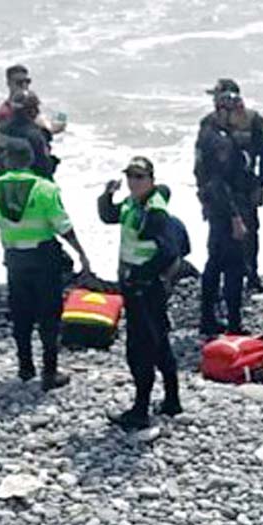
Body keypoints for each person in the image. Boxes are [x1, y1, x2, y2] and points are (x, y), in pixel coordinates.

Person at [0, 143, 92, 389]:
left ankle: (25, 367)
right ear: (30, 161)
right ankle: (50, 371)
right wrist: (81, 253)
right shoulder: (45, 189)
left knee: (21, 314)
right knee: (49, 314)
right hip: (44, 258)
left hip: (15, 259)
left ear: (6, 161)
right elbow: (63, 226)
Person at [99, 157, 187, 430]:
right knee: (159, 341)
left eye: (139, 177)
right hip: (137, 285)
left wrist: (142, 275)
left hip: (145, 288)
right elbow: (109, 216)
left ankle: (140, 409)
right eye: (130, 176)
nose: (133, 182)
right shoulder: (132, 203)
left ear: (151, 179)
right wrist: (106, 196)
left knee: (140, 348)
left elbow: (169, 252)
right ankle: (172, 400)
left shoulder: (154, 211)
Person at [199, 79, 263, 294]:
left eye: (218, 96)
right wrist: (203, 192)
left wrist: (260, 185)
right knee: (218, 235)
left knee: (250, 232)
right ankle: (220, 283)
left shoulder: (254, 120)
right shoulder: (209, 123)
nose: (214, 101)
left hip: (245, 186)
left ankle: (252, 276)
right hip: (218, 188)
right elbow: (201, 164)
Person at [195, 91, 251, 336]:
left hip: (216, 207)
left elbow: (201, 175)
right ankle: (234, 323)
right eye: (236, 111)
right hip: (225, 210)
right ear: (223, 112)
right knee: (233, 267)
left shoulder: (208, 134)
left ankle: (208, 318)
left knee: (215, 263)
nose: (241, 116)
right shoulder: (221, 141)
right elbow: (219, 182)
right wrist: (235, 217)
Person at [0, 91, 58, 178]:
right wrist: (54, 162)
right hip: (32, 181)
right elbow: (44, 167)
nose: (38, 111)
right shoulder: (34, 134)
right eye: (35, 108)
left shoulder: (0, 131)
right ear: (31, 111)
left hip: (5, 179)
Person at [0, 64, 66, 135]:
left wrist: (54, 126)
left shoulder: (30, 103)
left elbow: (43, 121)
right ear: (9, 84)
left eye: (27, 81)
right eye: (19, 82)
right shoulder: (4, 112)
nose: (24, 85)